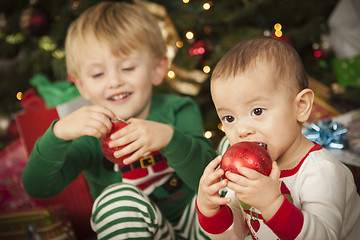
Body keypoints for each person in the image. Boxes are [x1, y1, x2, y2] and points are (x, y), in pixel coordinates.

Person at [22, 2, 216, 239]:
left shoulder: (178, 109)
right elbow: (37, 187)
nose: (114, 81)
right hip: (137, 230)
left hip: (199, 220)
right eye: (98, 74)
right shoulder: (89, 135)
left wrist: (169, 138)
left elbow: (208, 180)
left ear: (157, 69)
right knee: (115, 200)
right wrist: (57, 134)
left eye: (127, 67)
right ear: (81, 85)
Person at [196, 36, 360, 239]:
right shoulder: (249, 171)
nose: (242, 129)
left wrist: (273, 205)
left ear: (300, 107)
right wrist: (211, 210)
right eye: (229, 118)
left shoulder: (321, 172)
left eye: (257, 111)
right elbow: (232, 235)